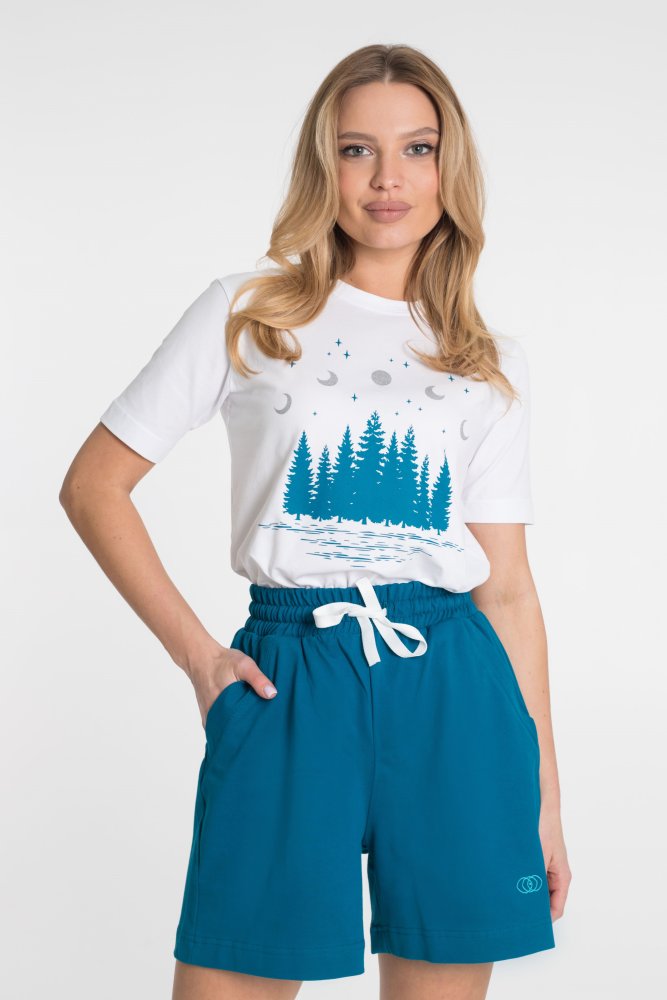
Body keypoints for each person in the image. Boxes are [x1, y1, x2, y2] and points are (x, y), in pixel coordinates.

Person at [60, 43, 571, 1000]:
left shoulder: (487, 358)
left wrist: (543, 794)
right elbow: (94, 486)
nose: (387, 180)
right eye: (355, 150)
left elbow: (506, 589)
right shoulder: (249, 312)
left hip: (453, 687)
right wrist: (201, 661)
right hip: (288, 677)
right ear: (321, 166)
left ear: (449, 167)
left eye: (417, 149)